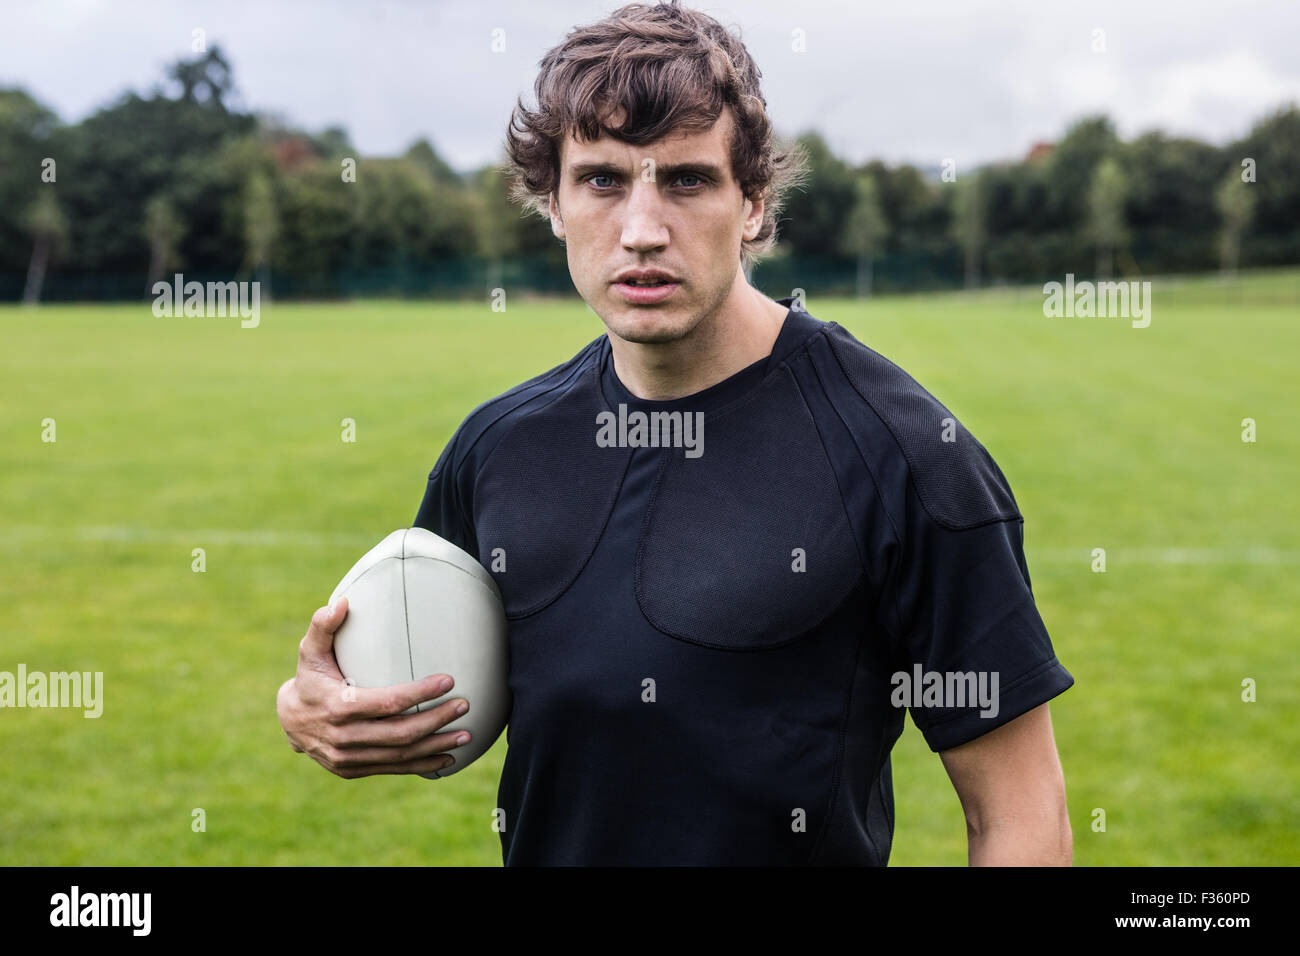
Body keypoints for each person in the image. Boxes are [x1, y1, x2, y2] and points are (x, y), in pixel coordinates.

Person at [277, 0, 1074, 866]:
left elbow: (1021, 815)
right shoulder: (497, 449)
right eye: (603, 180)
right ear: (551, 201)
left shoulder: (909, 455)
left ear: (755, 202)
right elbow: (412, 674)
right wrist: (315, 708)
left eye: (688, 179)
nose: (644, 230)